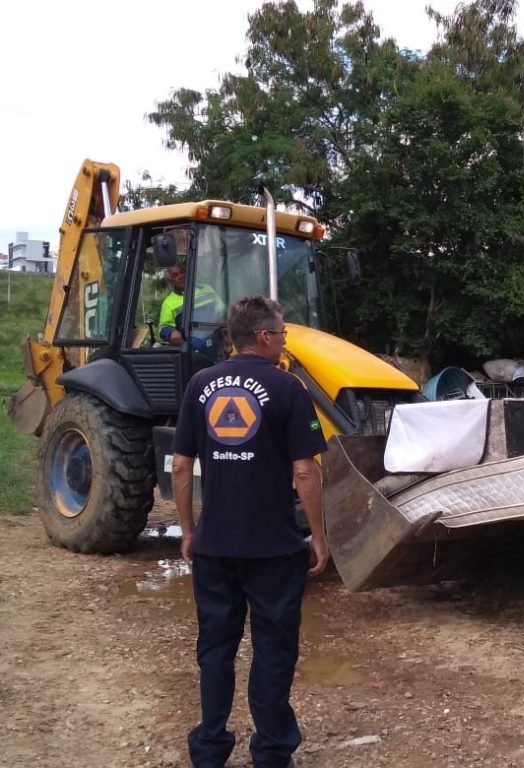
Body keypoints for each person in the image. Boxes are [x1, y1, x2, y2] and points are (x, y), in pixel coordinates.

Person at [171, 295, 329, 768]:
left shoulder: (200, 385)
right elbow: (305, 472)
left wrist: (188, 530)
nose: (284, 342)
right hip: (274, 548)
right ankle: (272, 752)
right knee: (273, 649)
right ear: (264, 337)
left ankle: (210, 747)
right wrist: (318, 536)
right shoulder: (288, 388)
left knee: (215, 648)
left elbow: (181, 466)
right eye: (281, 334)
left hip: (215, 546)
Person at [159, 260, 225, 347]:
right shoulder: (168, 303)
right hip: (192, 350)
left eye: (182, 271)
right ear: (170, 280)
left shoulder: (207, 289)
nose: (181, 276)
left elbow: (223, 313)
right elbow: (163, 327)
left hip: (217, 343)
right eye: (175, 275)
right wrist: (172, 332)